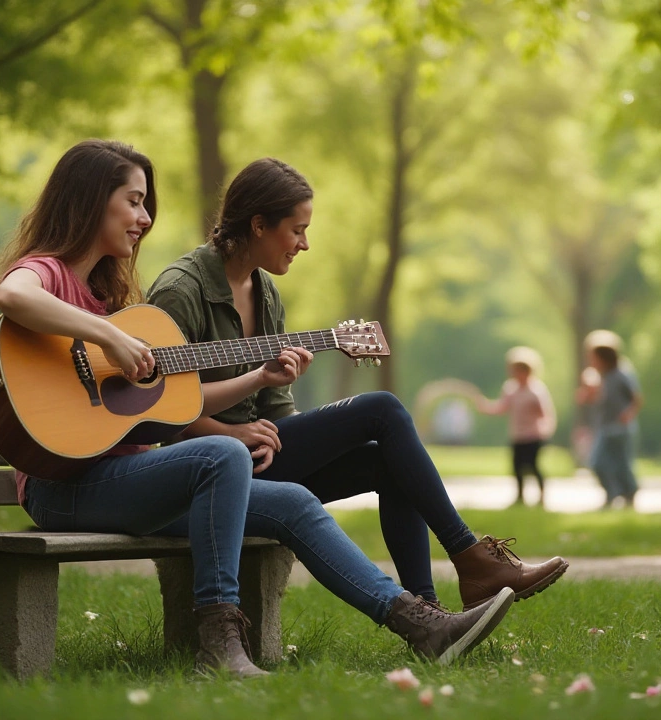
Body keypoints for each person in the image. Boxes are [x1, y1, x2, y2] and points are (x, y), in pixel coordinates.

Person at [0, 140, 516, 678]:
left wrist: (258, 378)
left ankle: (422, 625)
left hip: (127, 475)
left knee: (290, 500)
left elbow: (169, 401)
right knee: (223, 451)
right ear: (88, 201)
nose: (144, 218)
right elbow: (12, 295)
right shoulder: (51, 273)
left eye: (146, 204)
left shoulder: (109, 294)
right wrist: (108, 336)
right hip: (66, 485)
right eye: (133, 201)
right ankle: (219, 645)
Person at [147, 157, 569, 612]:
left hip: (262, 455)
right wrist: (228, 434)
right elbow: (153, 413)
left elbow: (276, 409)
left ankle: (429, 612)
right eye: (297, 230)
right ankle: (472, 559)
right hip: (204, 470)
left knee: (391, 461)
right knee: (382, 408)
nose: (305, 244)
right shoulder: (180, 290)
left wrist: (315, 434)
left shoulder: (264, 292)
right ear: (258, 226)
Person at [473, 346, 556, 507]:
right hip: (518, 435)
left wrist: (545, 430)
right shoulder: (510, 389)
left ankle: (541, 496)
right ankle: (520, 497)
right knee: (517, 466)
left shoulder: (536, 391)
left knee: (532, 465)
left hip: (533, 435)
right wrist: (485, 407)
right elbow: (502, 407)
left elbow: (545, 414)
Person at [575, 330, 642, 509]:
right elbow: (594, 398)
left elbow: (636, 398)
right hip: (604, 426)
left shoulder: (622, 373)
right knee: (598, 462)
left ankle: (629, 493)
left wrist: (628, 413)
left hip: (621, 427)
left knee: (623, 464)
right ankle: (612, 493)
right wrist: (587, 394)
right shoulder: (598, 376)